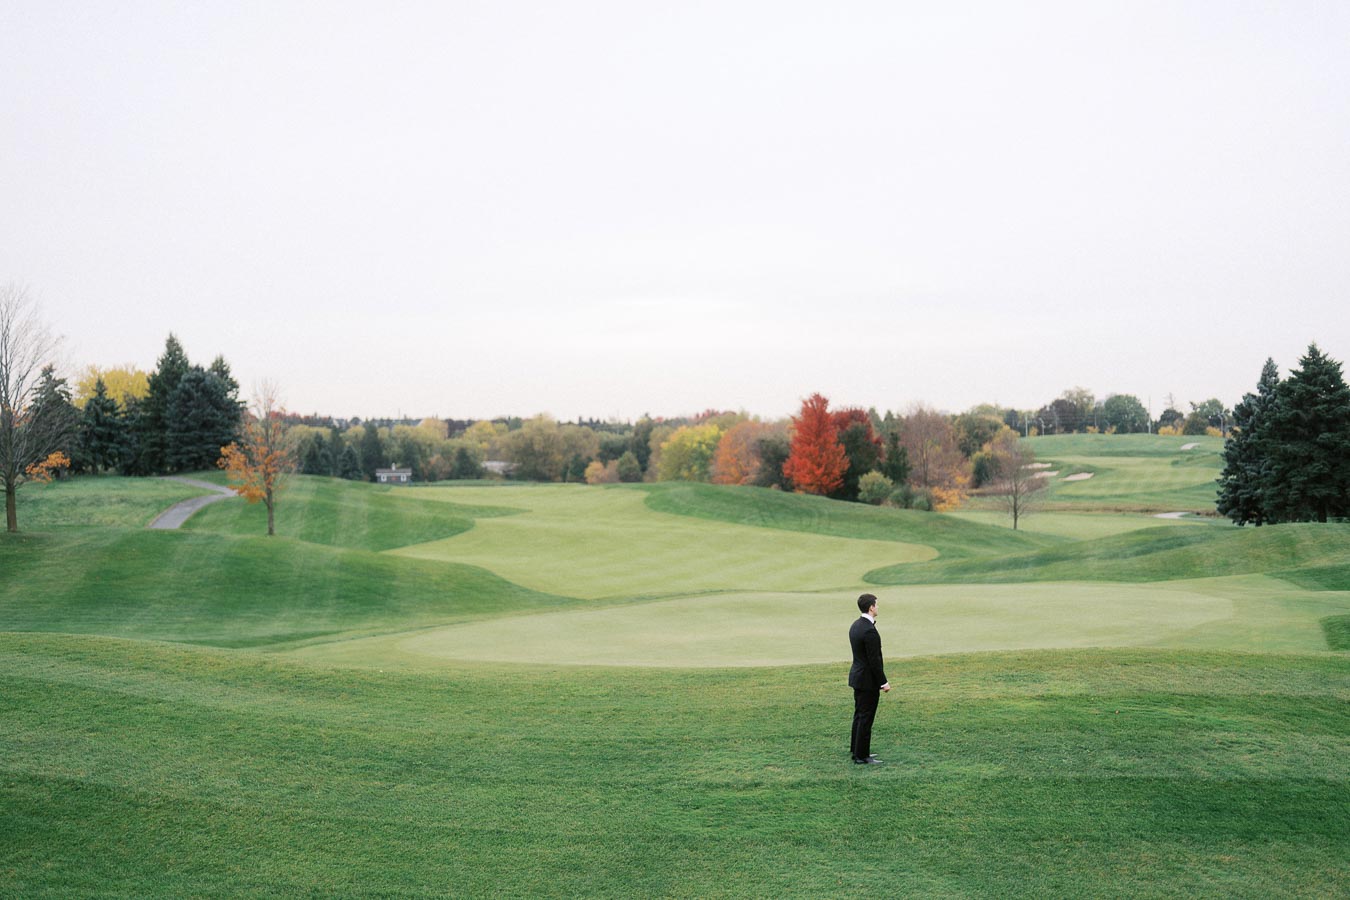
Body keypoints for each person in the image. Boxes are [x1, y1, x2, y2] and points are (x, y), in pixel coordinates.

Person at [848, 592, 890, 765]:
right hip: (868, 681)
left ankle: (856, 749)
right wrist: (884, 682)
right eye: (876, 604)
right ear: (871, 607)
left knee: (859, 715)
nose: (878, 607)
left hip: (858, 677)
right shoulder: (869, 631)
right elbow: (875, 661)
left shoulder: (856, 625)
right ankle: (861, 756)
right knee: (866, 717)